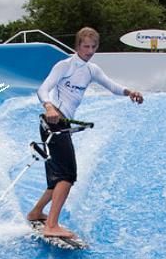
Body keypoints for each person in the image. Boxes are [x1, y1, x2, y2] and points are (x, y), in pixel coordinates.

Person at [27, 27, 144, 238]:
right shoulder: (65, 65)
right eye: (85, 46)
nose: (89, 51)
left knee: (59, 178)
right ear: (77, 46)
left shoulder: (92, 70)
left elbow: (112, 86)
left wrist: (130, 92)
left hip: (62, 126)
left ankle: (36, 213)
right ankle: (51, 225)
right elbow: (43, 89)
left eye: (93, 47)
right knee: (67, 176)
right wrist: (49, 107)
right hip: (53, 122)